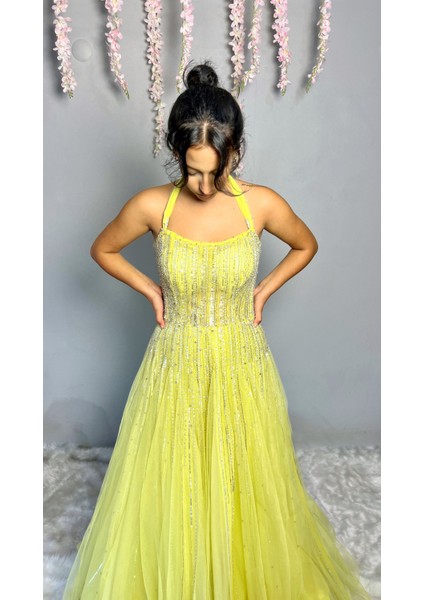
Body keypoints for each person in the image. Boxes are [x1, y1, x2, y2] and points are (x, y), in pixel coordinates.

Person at [62, 61, 371, 599]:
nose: (203, 186)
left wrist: (263, 290)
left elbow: (306, 244)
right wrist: (151, 289)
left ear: (236, 152)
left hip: (240, 362)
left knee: (241, 476)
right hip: (175, 362)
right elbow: (102, 249)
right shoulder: (152, 206)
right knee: (176, 478)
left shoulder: (261, 205)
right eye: (192, 172)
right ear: (176, 153)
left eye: (215, 171)